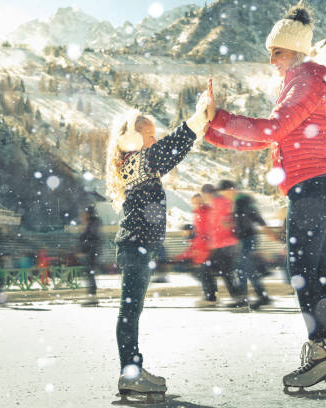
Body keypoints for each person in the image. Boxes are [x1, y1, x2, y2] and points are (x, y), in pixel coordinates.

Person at [203, 4, 326, 391]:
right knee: (313, 276)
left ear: (293, 50)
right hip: (312, 188)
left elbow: (271, 129)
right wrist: (209, 130)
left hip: (312, 189)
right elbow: (268, 137)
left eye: (276, 52)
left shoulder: (305, 80)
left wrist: (220, 117)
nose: (271, 60)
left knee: (304, 275)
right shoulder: (300, 81)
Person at [106, 97, 208, 401]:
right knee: (130, 311)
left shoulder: (136, 164)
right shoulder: (137, 161)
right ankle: (130, 374)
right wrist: (197, 119)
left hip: (139, 246)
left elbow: (169, 151)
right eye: (149, 134)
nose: (155, 140)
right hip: (135, 246)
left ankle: (133, 370)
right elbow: (171, 149)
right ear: (133, 137)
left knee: (131, 311)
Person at [204, 181, 245, 307]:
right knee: (221, 271)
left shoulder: (222, 202)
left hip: (226, 244)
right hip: (221, 244)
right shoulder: (215, 203)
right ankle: (234, 297)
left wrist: (228, 222)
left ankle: (236, 298)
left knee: (221, 271)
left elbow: (230, 218)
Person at [232, 191, 272, 309]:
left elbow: (238, 228)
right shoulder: (249, 208)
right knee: (245, 269)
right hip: (248, 240)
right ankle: (259, 297)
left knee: (245, 269)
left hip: (246, 240)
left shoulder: (240, 209)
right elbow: (262, 223)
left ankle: (254, 297)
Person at [78, 205, 102, 306]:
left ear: (88, 214)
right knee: (89, 274)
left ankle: (92, 298)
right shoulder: (92, 223)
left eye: (84, 213)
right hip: (91, 252)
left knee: (90, 274)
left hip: (91, 252)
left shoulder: (93, 223)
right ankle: (92, 297)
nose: (82, 215)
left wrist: (84, 250)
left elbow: (90, 238)